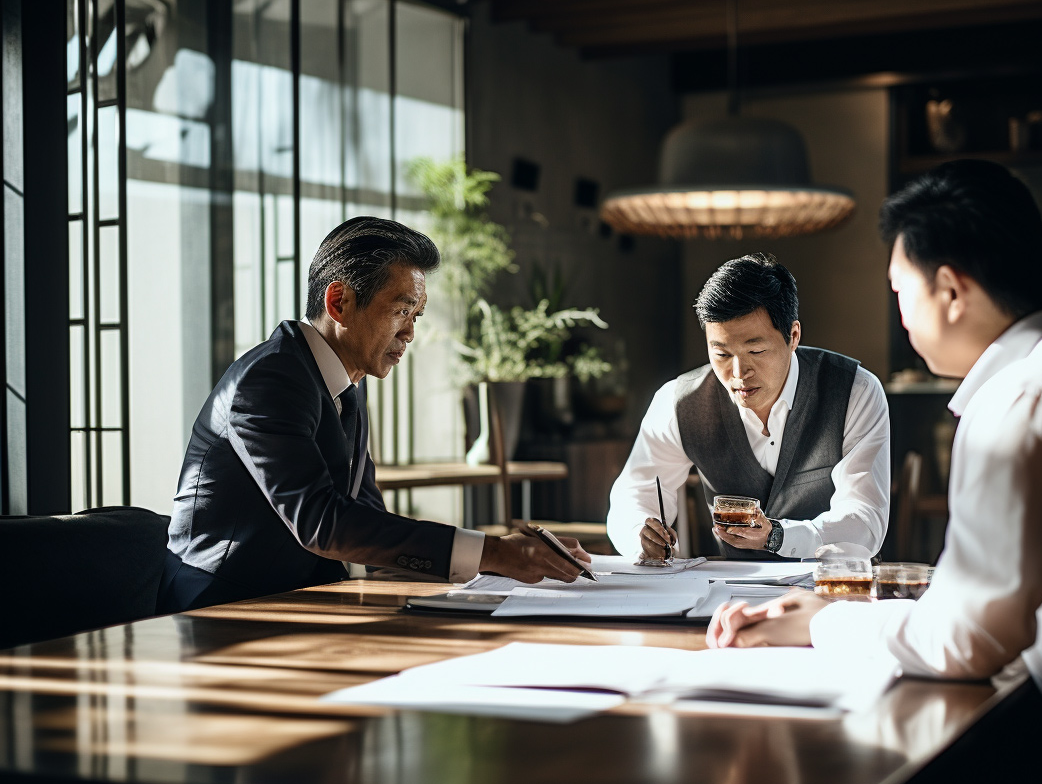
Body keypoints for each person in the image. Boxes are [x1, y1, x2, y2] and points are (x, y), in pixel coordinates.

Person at [707, 160, 1042, 723]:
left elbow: (968, 639)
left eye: (901, 291)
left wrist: (821, 620)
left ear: (951, 291)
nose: (902, 315)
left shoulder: (1026, 401)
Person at [159, 217, 589, 612]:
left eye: (416, 316)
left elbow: (366, 516)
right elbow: (323, 523)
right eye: (401, 311)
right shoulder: (270, 379)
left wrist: (493, 564)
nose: (410, 333)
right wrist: (493, 552)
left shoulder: (346, 381)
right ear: (340, 301)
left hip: (299, 601)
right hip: (220, 609)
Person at [607, 253, 891, 562]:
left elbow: (866, 519)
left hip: (832, 590)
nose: (739, 372)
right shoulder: (679, 403)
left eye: (756, 350)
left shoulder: (854, 391)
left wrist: (778, 536)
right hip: (730, 594)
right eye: (722, 354)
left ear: (793, 336)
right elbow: (632, 495)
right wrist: (640, 535)